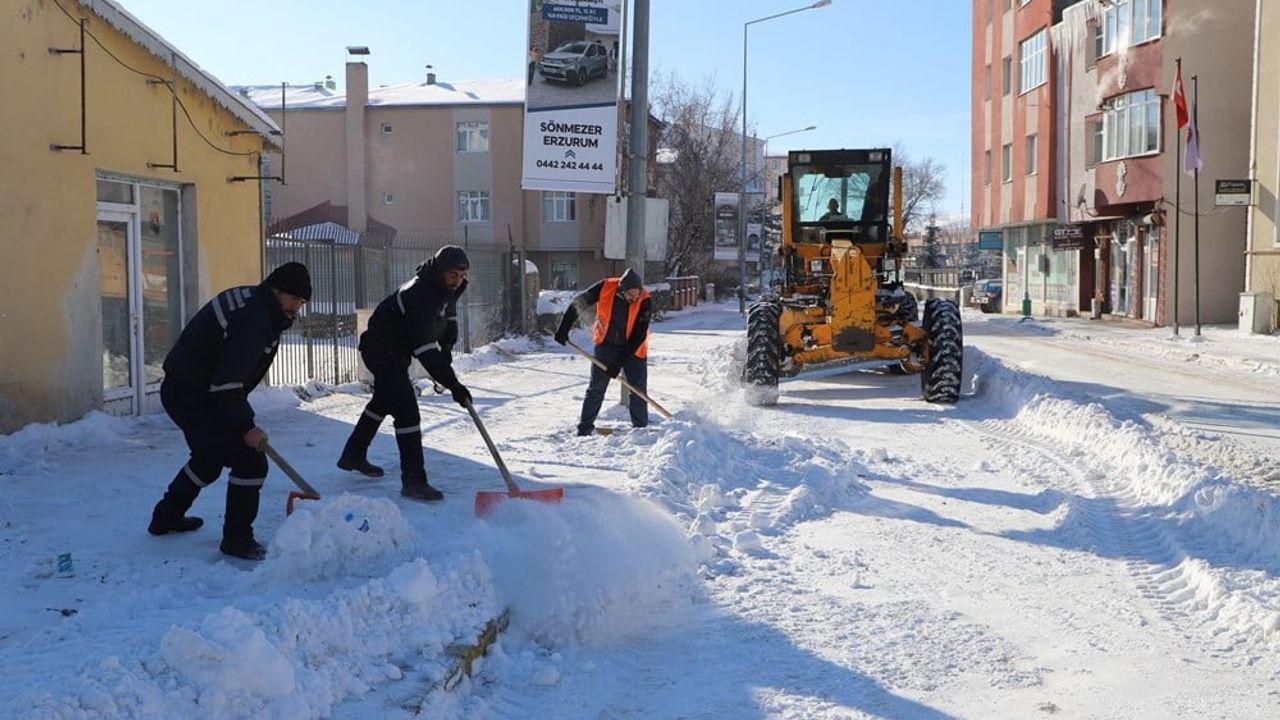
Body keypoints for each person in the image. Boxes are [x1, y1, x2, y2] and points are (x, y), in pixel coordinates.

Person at [147, 262, 311, 560]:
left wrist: (237, 418)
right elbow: (227, 384)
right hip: (193, 394)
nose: (297, 308)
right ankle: (237, 539)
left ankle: (165, 517)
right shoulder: (255, 319)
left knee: (208, 459)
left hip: (193, 389)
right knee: (251, 463)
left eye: (301, 302)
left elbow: (227, 379)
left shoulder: (257, 303)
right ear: (276, 290)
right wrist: (246, 427)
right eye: (294, 300)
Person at [336, 245, 473, 501]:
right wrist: (453, 385)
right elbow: (424, 348)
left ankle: (353, 454)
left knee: (385, 399)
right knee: (407, 410)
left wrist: (446, 344)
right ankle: (413, 482)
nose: (458, 281)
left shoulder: (445, 288)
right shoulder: (420, 294)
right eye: (453, 275)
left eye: (462, 276)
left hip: (396, 350)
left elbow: (448, 315)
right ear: (441, 271)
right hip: (380, 350)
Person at [554, 267, 652, 436]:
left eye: (637, 294)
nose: (635, 298)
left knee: (638, 391)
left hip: (633, 350)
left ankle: (641, 432)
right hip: (606, 344)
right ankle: (584, 429)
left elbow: (638, 334)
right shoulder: (605, 287)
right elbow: (578, 303)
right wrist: (564, 329)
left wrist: (618, 363)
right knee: (596, 388)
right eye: (631, 295)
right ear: (622, 290)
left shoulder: (645, 299)